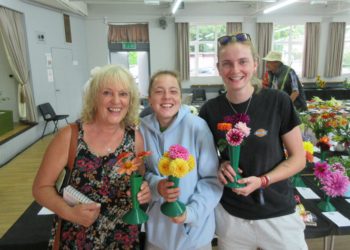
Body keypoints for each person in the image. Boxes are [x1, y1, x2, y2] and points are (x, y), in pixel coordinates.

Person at [199, 33, 307, 250]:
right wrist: (221, 165)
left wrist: (262, 181)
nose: (235, 70)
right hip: (232, 217)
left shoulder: (278, 101)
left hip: (277, 214)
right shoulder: (210, 111)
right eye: (227, 64)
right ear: (219, 68)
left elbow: (299, 159)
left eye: (243, 62)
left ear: (255, 65)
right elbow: (207, 159)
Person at [32, 64, 151, 249]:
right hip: (77, 237)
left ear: (131, 100)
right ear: (94, 97)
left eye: (123, 94)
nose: (116, 101)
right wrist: (70, 213)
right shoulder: (70, 135)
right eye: (107, 93)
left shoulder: (134, 138)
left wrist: (143, 190)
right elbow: (41, 188)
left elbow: (139, 178)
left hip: (123, 236)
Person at [139, 70, 223, 250]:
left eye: (173, 91)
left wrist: (190, 213)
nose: (166, 97)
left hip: (194, 235)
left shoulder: (197, 127)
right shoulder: (141, 130)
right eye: (159, 91)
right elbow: (140, 173)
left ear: (181, 96)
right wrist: (156, 186)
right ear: (149, 98)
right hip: (157, 235)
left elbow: (212, 180)